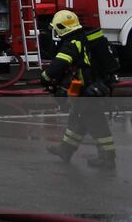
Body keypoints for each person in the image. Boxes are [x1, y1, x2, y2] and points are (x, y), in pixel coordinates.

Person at [43, 9, 119, 169]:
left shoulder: (73, 43)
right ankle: (65, 150)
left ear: (62, 28)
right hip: (88, 88)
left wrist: (45, 77)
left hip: (88, 91)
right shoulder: (83, 38)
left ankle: (108, 158)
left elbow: (59, 64)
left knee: (96, 123)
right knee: (77, 119)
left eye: (56, 28)